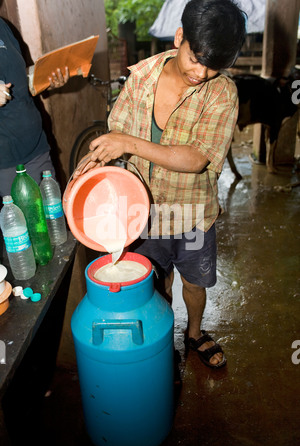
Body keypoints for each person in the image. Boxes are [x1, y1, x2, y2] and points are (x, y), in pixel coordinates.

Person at [74, 0, 246, 369]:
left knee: (195, 282)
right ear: (180, 36)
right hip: (144, 211)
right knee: (157, 283)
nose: (202, 72)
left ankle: (195, 332)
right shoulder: (141, 77)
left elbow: (197, 158)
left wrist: (129, 144)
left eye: (213, 66)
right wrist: (95, 162)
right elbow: (116, 131)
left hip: (192, 214)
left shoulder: (222, 93)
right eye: (196, 58)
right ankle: (161, 336)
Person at [0, 17, 69, 198]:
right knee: (20, 223)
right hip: (5, 161)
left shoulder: (3, 26)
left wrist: (47, 80)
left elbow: (19, 82)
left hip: (36, 147)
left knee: (52, 219)